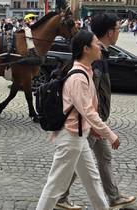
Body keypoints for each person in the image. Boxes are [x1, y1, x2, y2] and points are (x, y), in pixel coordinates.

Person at [55, 13, 136, 210]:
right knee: (79, 162)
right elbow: (90, 99)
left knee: (102, 158)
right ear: (110, 32)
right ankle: (61, 196)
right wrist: (100, 126)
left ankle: (113, 196)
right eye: (118, 28)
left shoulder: (99, 53)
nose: (119, 31)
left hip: (93, 123)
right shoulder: (94, 56)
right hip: (89, 124)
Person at [36, 30, 118, 210]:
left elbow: (85, 112)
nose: (100, 46)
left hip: (78, 137)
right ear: (86, 49)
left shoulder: (85, 72)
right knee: (55, 186)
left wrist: (93, 128)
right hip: (70, 139)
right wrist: (110, 134)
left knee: (93, 181)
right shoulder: (79, 77)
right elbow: (88, 111)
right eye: (96, 43)